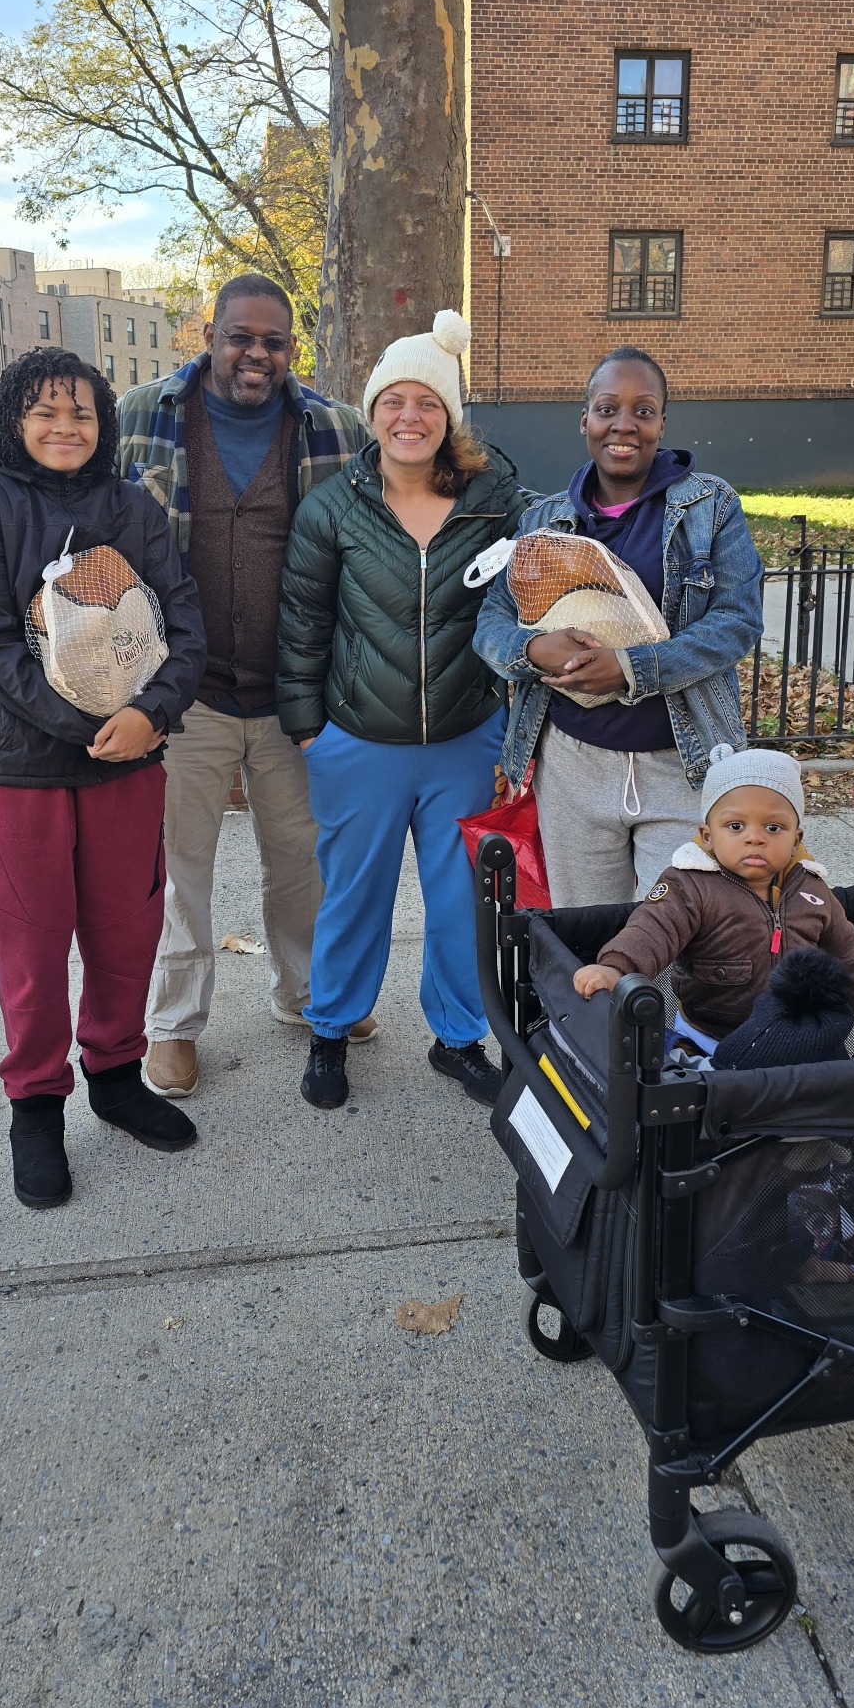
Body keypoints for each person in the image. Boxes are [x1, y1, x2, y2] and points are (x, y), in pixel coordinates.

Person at [0, 347, 207, 1210]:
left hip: (129, 760)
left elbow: (183, 620)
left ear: (104, 423)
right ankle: (36, 1107)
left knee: (127, 931)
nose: (66, 428)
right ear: (13, 420)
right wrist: (95, 726)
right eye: (46, 412)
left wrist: (153, 713)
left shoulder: (131, 507)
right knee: (30, 946)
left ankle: (116, 1077)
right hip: (19, 767)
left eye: (82, 413)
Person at [116, 274, 377, 1100]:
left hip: (297, 693)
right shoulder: (140, 417)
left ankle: (307, 994)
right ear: (209, 336)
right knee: (177, 867)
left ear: (291, 349)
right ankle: (173, 1025)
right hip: (179, 691)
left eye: (273, 341)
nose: (256, 354)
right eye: (240, 337)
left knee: (301, 859)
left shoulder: (335, 428)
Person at [277, 311, 533, 1110]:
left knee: (462, 903)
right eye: (394, 401)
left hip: (465, 739)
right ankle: (331, 1030)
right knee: (354, 897)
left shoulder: (497, 505)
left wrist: (511, 734)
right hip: (359, 741)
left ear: (448, 417)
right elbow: (303, 624)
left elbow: (532, 605)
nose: (409, 417)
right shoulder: (333, 507)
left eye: (427, 402)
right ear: (373, 412)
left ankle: (457, 1039)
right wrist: (309, 732)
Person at [473, 347, 764, 907]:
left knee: (677, 938)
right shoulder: (544, 521)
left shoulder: (710, 507)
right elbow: (492, 620)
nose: (624, 425)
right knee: (587, 934)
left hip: (682, 763)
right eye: (607, 409)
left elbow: (737, 621)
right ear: (585, 419)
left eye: (643, 411)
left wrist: (632, 669)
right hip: (571, 766)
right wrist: (533, 649)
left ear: (661, 423)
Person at [572, 744, 854, 1060]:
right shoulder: (689, 885)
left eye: (773, 827)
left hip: (791, 1033)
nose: (755, 837)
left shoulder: (811, 889)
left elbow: (850, 953)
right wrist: (618, 969)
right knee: (701, 1089)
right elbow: (651, 930)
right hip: (708, 1035)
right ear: (708, 836)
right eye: (735, 826)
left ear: (795, 840)